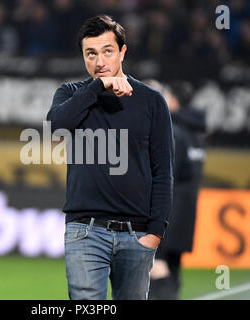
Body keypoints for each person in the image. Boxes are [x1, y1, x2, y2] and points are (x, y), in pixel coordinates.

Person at [46, 15, 174, 300]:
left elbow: (163, 172)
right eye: (91, 53)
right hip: (85, 233)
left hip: (137, 234)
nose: (99, 60)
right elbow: (56, 126)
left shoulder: (152, 101)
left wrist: (154, 233)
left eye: (107, 51)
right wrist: (98, 87)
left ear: (122, 52)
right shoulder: (71, 93)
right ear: (83, 56)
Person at [148, 81, 206, 300]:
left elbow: (167, 173)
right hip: (187, 209)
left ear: (173, 100)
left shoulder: (174, 133)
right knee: (173, 264)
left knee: (157, 264)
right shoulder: (196, 134)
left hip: (169, 209)